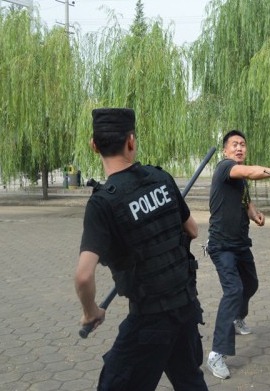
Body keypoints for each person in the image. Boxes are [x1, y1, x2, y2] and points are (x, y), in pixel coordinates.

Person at [74, 107, 208, 391]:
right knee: (190, 382)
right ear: (131, 141)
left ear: (94, 146)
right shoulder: (161, 179)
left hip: (150, 321)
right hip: (185, 308)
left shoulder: (102, 204)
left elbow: (84, 276)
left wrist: (90, 311)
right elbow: (193, 230)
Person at [205, 129, 270, 380]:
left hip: (240, 244)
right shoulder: (226, 167)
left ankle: (237, 317)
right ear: (226, 150)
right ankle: (217, 353)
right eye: (234, 145)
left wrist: (254, 214)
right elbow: (249, 171)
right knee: (233, 290)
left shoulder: (240, 178)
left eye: (243, 145)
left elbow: (245, 200)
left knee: (251, 284)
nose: (239, 148)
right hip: (221, 246)